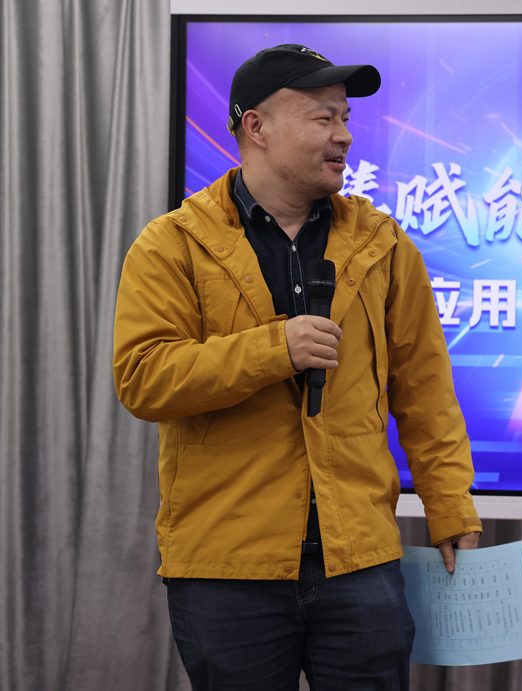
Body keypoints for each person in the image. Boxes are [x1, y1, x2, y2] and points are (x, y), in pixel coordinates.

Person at [113, 44, 481, 690]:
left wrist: (450, 505)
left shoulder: (383, 243)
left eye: (345, 118)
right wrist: (273, 349)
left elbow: (425, 390)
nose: (344, 135)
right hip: (227, 568)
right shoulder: (172, 244)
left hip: (359, 561)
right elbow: (144, 377)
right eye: (322, 117)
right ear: (257, 127)